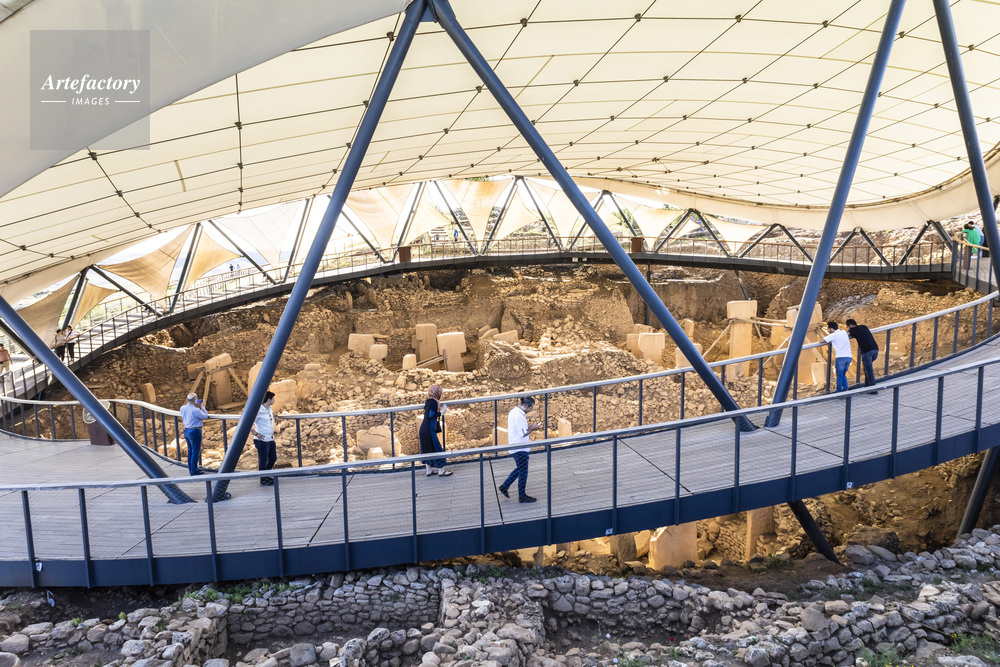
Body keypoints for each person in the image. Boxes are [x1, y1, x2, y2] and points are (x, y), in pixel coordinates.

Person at [498, 396, 541, 503]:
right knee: (523, 472)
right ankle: (522, 496)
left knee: (520, 469)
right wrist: (533, 428)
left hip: (515, 446)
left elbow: (520, 429)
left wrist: (528, 427)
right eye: (530, 408)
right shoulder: (519, 416)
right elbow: (523, 434)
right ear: (526, 405)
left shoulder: (514, 412)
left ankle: (505, 486)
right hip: (520, 448)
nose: (530, 410)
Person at [418, 384, 452, 476]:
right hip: (429, 429)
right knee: (436, 448)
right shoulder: (434, 402)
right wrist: (441, 412)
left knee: (427, 449)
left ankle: (429, 470)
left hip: (423, 429)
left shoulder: (428, 401)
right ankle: (441, 470)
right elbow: (431, 415)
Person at [251, 391, 278, 486]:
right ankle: (263, 479)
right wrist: (256, 433)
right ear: (268, 400)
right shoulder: (258, 410)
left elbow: (271, 412)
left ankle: (265, 476)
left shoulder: (268, 408)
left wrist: (276, 416)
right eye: (273, 399)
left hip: (270, 439)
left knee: (273, 458)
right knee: (263, 460)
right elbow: (248, 423)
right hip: (261, 440)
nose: (274, 400)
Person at [179, 393, 209, 476]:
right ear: (195, 400)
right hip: (195, 431)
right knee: (195, 451)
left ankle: (191, 469)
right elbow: (205, 416)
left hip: (187, 430)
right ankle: (194, 471)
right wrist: (203, 407)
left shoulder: (182, 408)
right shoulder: (195, 410)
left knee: (190, 450)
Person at [846, 318, 879, 388]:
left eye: (847, 327)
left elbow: (847, 334)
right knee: (867, 368)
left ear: (850, 325)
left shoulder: (852, 330)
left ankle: (873, 388)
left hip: (867, 352)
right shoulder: (864, 327)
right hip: (875, 350)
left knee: (869, 369)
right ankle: (867, 385)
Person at [823, 321, 853, 392]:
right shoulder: (843, 332)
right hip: (848, 357)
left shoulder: (833, 335)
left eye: (828, 329)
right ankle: (846, 390)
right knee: (843, 374)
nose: (827, 330)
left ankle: (839, 391)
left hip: (840, 357)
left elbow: (822, 340)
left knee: (839, 376)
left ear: (831, 328)